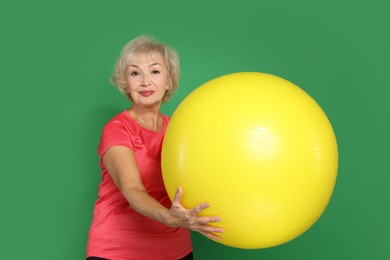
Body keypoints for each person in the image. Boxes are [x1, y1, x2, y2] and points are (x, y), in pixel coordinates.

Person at [86, 35, 224, 260]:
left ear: (169, 80)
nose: (145, 81)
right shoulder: (117, 129)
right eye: (135, 73)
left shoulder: (178, 131)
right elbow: (133, 191)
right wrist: (171, 218)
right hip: (118, 251)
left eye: (155, 71)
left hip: (175, 250)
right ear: (125, 82)